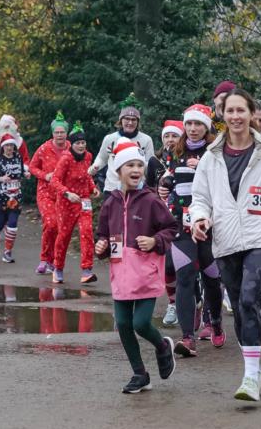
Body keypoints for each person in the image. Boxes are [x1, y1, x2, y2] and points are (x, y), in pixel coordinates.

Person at [189, 89, 261, 402]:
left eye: (242, 110)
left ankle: (250, 377)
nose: (236, 117)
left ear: (252, 114)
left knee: (250, 297)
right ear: (222, 115)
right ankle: (253, 367)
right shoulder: (211, 156)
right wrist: (199, 219)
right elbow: (199, 198)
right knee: (241, 307)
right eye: (230, 111)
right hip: (225, 239)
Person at [95, 139, 177, 394]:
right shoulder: (111, 203)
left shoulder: (151, 200)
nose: (136, 170)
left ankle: (162, 346)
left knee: (140, 323)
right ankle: (140, 374)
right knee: (122, 324)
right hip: (121, 274)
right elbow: (103, 235)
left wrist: (154, 241)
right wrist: (102, 247)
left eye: (139, 165)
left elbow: (172, 228)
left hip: (145, 273)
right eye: (129, 165)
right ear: (118, 171)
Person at [159, 103, 225, 356]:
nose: (193, 128)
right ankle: (187, 338)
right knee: (185, 276)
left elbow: (228, 184)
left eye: (198, 124)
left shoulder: (216, 151)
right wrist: (163, 184)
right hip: (180, 224)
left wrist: (204, 170)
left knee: (211, 279)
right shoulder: (174, 150)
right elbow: (169, 174)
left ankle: (215, 323)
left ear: (206, 126)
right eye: (189, 124)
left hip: (210, 224)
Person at [51, 122, 100, 284]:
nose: (81, 146)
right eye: (78, 143)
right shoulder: (66, 159)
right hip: (66, 202)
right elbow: (55, 181)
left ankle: (87, 270)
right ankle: (57, 268)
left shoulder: (88, 156)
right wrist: (67, 193)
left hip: (84, 200)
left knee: (87, 232)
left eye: (83, 143)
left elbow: (86, 176)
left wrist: (93, 188)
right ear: (71, 144)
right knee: (64, 236)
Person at [149, 119, 184, 326]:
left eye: (174, 136)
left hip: (184, 216)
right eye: (167, 136)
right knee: (168, 265)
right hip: (162, 219)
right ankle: (172, 303)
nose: (170, 140)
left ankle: (195, 303)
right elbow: (148, 188)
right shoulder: (155, 161)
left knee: (189, 268)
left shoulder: (186, 158)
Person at [29, 111, 71, 274]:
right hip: (46, 192)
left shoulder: (72, 148)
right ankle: (44, 259)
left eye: (62, 132)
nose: (59, 135)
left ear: (66, 133)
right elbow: (32, 167)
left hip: (64, 193)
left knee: (60, 228)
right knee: (51, 223)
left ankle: (55, 260)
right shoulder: (44, 148)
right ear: (52, 133)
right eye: (56, 132)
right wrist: (45, 175)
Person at [88, 97, 155, 196]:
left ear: (138, 122)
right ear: (120, 120)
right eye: (127, 119)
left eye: (134, 120)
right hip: (112, 188)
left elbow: (150, 164)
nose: (130, 123)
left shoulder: (146, 140)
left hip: (137, 189)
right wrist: (95, 167)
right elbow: (102, 158)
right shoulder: (110, 138)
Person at [0, 135, 26, 263]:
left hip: (15, 196)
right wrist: (0, 179)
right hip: (1, 197)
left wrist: (25, 174)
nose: (9, 148)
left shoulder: (18, 158)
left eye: (11, 145)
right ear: (2, 147)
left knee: (13, 224)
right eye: (7, 146)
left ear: (14, 146)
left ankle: (7, 252)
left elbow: (20, 173)